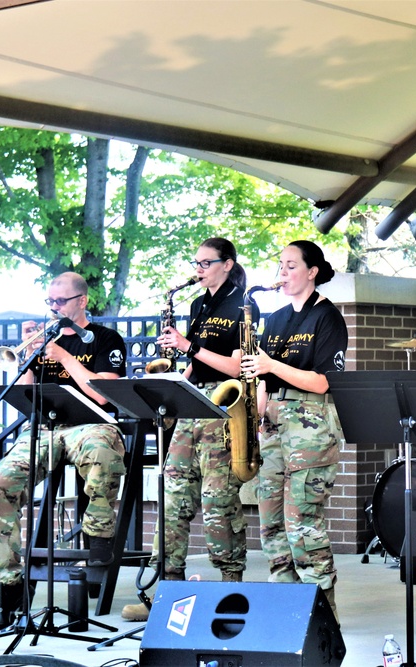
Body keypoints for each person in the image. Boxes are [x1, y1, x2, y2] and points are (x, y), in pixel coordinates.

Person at [0, 271, 127, 628]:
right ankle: (9, 584)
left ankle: (98, 537)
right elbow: (28, 391)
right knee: (0, 483)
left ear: (81, 301)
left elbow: (103, 394)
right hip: (47, 427)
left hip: (90, 424)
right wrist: (29, 352)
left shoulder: (106, 339)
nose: (53, 307)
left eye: (60, 302)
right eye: (50, 301)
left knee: (104, 454)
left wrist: (63, 356)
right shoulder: (45, 338)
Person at [121, 238, 253, 621]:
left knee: (218, 502)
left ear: (227, 264)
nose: (198, 269)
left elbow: (235, 367)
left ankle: (232, 591)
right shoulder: (198, 304)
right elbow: (195, 360)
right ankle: (166, 592)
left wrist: (187, 345)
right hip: (192, 401)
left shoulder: (243, 304)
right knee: (172, 495)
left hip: (225, 403)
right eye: (196, 262)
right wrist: (173, 384)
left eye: (206, 262)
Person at [240, 240, 347, 621]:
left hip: (312, 423)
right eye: (280, 267)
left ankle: (323, 618)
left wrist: (270, 365)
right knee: (270, 525)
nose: (281, 275)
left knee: (303, 525)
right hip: (274, 426)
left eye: (290, 267)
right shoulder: (277, 317)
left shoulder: (327, 317)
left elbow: (323, 381)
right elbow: (262, 378)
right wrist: (254, 422)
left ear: (312, 271)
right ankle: (284, 613)